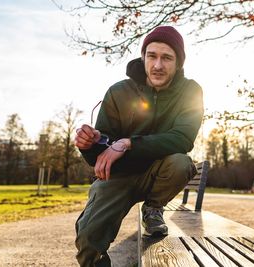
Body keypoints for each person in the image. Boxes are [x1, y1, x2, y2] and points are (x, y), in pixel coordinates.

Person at [74, 26, 204, 267]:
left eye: (167, 58)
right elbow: (99, 152)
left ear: (178, 63)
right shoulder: (118, 91)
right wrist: (88, 144)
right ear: (143, 57)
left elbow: (183, 137)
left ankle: (153, 208)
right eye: (152, 56)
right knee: (88, 239)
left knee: (181, 163)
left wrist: (129, 143)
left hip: (159, 174)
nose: (158, 65)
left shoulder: (190, 91)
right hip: (118, 176)